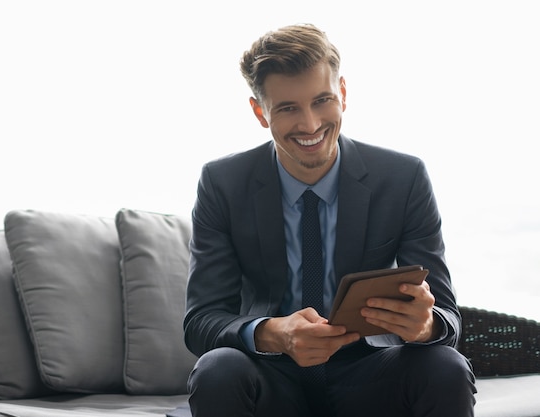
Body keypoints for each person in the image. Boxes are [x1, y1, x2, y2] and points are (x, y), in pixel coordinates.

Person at [183, 23, 476, 417]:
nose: (310, 124)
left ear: (342, 93)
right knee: (217, 369)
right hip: (272, 375)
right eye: (288, 108)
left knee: (445, 367)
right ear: (259, 111)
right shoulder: (222, 183)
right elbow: (201, 321)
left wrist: (424, 326)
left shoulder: (403, 178)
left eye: (322, 100)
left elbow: (447, 317)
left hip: (370, 372)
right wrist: (274, 333)